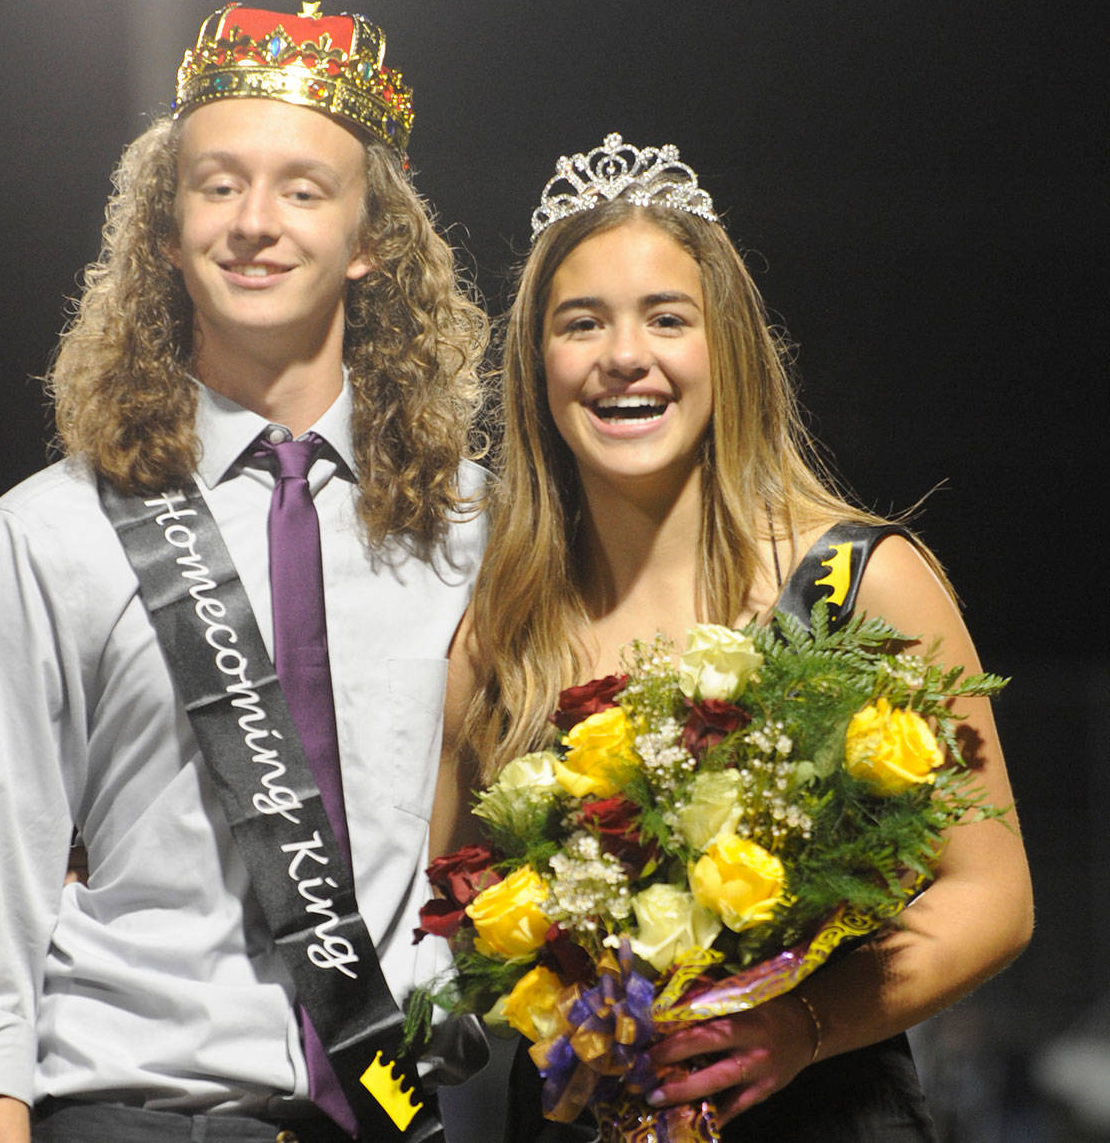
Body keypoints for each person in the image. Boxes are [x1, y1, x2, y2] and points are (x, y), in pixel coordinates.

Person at [0, 2, 488, 1142]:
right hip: (131, 1112)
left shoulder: (478, 527)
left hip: (386, 1117)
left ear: (370, 239)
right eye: (216, 185)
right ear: (165, 233)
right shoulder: (49, 532)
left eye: (302, 188)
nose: (253, 223)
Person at [437, 134, 1032, 1138]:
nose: (623, 354)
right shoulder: (498, 625)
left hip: (827, 1109)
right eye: (580, 323)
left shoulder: (859, 580)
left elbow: (992, 893)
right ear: (536, 366)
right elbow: (436, 913)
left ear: (727, 349)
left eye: (666, 318)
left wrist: (800, 1022)